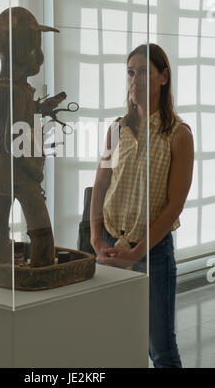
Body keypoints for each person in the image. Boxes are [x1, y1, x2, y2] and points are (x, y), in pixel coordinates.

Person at [90, 43, 194, 368]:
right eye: (130, 73)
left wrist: (138, 253)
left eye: (143, 73)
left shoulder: (178, 135)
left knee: (160, 350)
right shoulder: (116, 130)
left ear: (163, 77)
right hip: (109, 246)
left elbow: (174, 206)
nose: (134, 81)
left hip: (154, 252)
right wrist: (95, 239)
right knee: (115, 341)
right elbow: (101, 185)